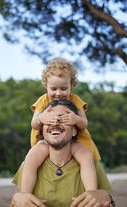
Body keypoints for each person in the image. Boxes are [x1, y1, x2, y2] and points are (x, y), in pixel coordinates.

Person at [9, 100, 121, 207]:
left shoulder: (91, 166)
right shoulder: (30, 165)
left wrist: (107, 201)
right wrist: (17, 205)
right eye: (49, 119)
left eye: (63, 118)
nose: (55, 122)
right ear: (42, 130)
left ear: (74, 130)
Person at [21, 57, 99, 194]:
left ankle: (91, 192)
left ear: (72, 84)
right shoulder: (42, 100)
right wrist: (41, 118)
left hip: (74, 139)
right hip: (45, 140)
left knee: (85, 155)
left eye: (64, 88)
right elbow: (34, 124)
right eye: (53, 88)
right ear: (46, 85)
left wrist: (75, 119)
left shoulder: (76, 100)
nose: (58, 93)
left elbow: (84, 124)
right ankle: (25, 193)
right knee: (33, 156)